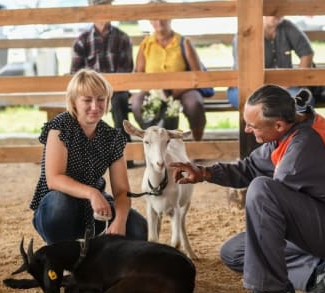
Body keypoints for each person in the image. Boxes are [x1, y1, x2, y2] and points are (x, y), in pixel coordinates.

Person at [170, 84, 325, 293]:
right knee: (234, 254)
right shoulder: (290, 123)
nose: (247, 130)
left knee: (263, 190)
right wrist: (204, 173)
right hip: (317, 216)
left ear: (278, 125)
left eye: (252, 125)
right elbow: (251, 167)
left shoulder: (304, 146)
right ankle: (316, 270)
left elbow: (269, 205)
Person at [30, 69, 147, 244]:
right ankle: (62, 251)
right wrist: (92, 193)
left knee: (138, 225)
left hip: (94, 209)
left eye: (101, 99)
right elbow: (54, 179)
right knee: (59, 205)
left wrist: (120, 221)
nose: (95, 106)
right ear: (74, 102)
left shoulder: (112, 137)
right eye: (87, 100)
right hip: (57, 206)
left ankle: (106, 259)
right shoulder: (60, 126)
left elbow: (122, 191)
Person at [70, 0, 135, 167]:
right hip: (89, 89)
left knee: (118, 101)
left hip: (117, 88)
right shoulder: (82, 40)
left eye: (106, 8)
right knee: (82, 102)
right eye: (98, 8)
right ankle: (81, 153)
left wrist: (106, 89)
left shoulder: (122, 38)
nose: (102, 13)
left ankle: (124, 153)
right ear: (91, 11)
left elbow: (126, 70)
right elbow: (76, 73)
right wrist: (93, 89)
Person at [131, 3, 206, 141]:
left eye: (163, 17)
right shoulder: (146, 44)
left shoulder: (184, 42)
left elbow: (198, 75)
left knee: (194, 104)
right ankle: (154, 141)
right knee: (137, 103)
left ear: (170, 17)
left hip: (183, 89)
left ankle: (198, 144)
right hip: (154, 91)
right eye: (154, 18)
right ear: (149, 20)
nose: (159, 22)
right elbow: (138, 75)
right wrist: (155, 91)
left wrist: (175, 91)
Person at [228, 16, 314, 108]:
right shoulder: (247, 32)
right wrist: (276, 86)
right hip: (249, 87)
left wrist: (296, 80)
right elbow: (244, 73)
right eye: (271, 12)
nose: (277, 15)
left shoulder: (287, 26)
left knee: (302, 103)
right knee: (261, 107)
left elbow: (307, 53)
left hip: (285, 86)